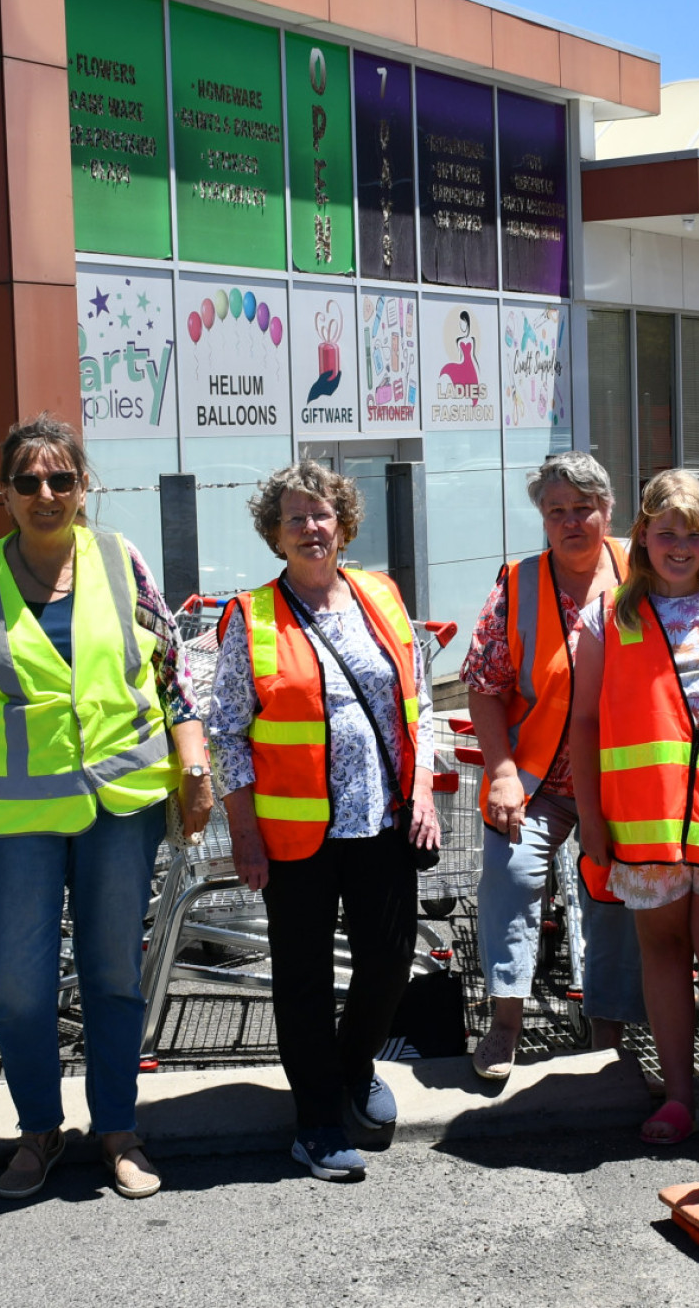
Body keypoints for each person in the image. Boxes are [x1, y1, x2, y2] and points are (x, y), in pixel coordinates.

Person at [0, 414, 213, 1201]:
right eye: (29, 481)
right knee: (20, 983)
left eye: (62, 479)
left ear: (85, 487)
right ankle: (38, 1127)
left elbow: (171, 676)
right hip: (14, 818)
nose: (46, 493)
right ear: (5, 494)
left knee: (112, 972)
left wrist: (193, 763)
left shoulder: (121, 561)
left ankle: (118, 1127)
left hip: (118, 808)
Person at [205, 461, 441, 1183]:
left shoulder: (382, 596)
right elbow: (226, 732)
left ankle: (350, 1066)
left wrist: (424, 792)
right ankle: (315, 1121)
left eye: (322, 514)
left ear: (343, 523)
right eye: (295, 518)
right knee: (303, 978)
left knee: (388, 964)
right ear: (275, 536)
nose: (311, 527)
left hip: (383, 819)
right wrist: (243, 831)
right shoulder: (253, 616)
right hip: (295, 835)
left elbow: (418, 704)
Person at [571, 469, 699, 1145]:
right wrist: (592, 819)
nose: (679, 545)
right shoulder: (607, 615)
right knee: (661, 954)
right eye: (666, 533)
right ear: (644, 537)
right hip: (645, 823)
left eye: (693, 533)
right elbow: (586, 722)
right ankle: (680, 1095)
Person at [461, 451, 645, 1080]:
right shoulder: (518, 582)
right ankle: (506, 1023)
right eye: (556, 510)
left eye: (583, 509)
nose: (571, 522)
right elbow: (483, 685)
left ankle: (609, 1031)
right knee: (511, 877)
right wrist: (504, 771)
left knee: (615, 891)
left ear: (608, 510)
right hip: (536, 778)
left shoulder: (640, 571)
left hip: (620, 777)